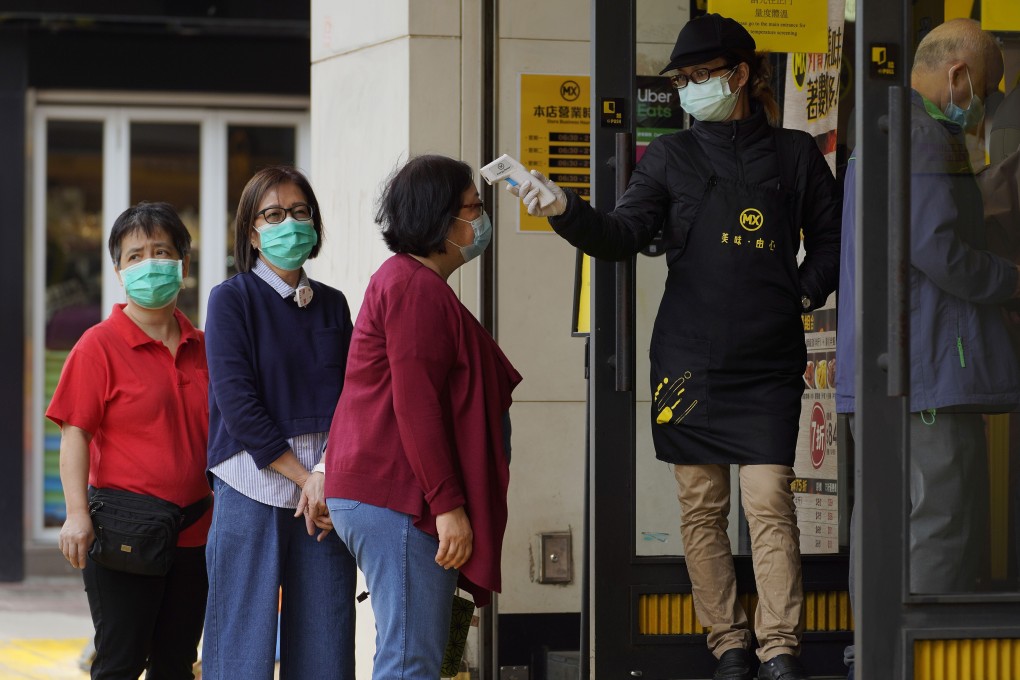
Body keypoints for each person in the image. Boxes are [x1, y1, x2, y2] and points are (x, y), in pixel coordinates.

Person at [509, 13, 840, 680]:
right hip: (688, 359)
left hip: (769, 361)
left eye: (699, 77)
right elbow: (623, 234)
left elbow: (834, 241)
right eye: (683, 80)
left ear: (740, 75)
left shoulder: (795, 155)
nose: (689, 89)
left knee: (769, 500)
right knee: (702, 507)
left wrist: (800, 295)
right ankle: (729, 642)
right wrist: (563, 210)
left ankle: (779, 645)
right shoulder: (671, 157)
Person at [836, 18, 1020, 679]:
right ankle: (918, 666)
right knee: (942, 526)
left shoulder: (878, 131)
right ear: (960, 75)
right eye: (989, 89)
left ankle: (878, 660)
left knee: (887, 532)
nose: (984, 105)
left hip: (895, 370)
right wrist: (1012, 280)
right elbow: (938, 250)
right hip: (929, 374)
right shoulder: (922, 135)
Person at [324, 154, 522, 679]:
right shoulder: (414, 287)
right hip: (402, 499)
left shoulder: (413, 283)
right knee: (412, 658)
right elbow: (417, 405)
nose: (480, 221)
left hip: (391, 494)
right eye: (473, 208)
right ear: (441, 218)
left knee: (413, 652)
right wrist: (448, 506)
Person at [202, 166, 356, 680]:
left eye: (299, 212)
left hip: (327, 493)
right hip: (253, 484)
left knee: (326, 649)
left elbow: (354, 397)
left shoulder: (333, 304)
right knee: (240, 651)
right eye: (273, 214)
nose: (288, 222)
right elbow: (238, 403)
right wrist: (305, 476)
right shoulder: (231, 300)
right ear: (252, 230)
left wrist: (327, 472)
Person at [49, 202, 211, 679]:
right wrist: (76, 515)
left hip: (196, 534)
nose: (149, 263)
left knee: (177, 664)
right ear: (118, 270)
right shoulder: (97, 346)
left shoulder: (207, 346)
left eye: (161, 251)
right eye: (135, 255)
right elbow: (74, 434)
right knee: (120, 663)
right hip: (123, 533)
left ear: (183, 263)